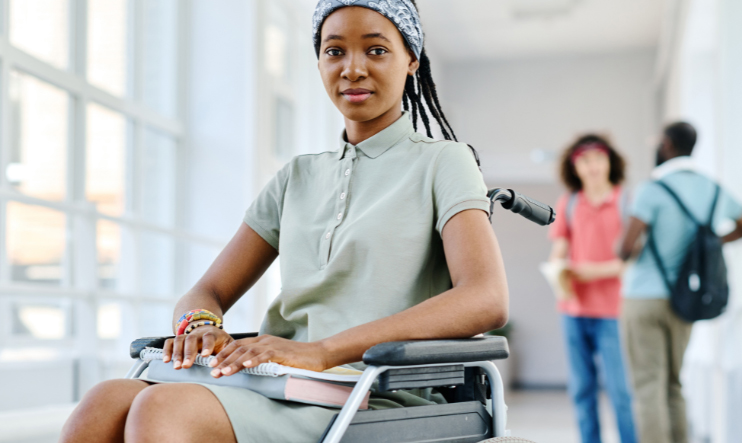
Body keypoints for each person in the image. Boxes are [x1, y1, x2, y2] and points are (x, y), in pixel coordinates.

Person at [59, 2, 510, 442]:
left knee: (164, 409)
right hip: (277, 381)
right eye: (335, 51)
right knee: (102, 404)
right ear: (319, 63)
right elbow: (208, 291)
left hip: (373, 389)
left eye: (376, 50)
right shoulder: (298, 176)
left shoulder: (443, 162)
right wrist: (200, 326)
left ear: (411, 60)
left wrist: (321, 351)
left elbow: (486, 298)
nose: (352, 68)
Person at [618, 122, 742, 443]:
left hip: (643, 298)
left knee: (647, 386)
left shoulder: (652, 189)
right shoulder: (711, 188)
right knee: (674, 385)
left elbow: (625, 248)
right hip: (685, 300)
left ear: (666, 145)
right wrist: (714, 243)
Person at [548, 135, 638, 443]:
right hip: (573, 312)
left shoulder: (626, 203)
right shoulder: (569, 203)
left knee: (621, 392)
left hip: (613, 311)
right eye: (585, 161)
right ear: (575, 167)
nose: (593, 166)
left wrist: (589, 272)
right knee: (582, 390)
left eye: (599, 158)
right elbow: (558, 253)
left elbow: (630, 263)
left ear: (610, 161)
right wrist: (558, 271)